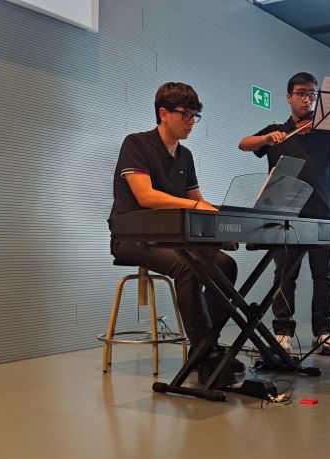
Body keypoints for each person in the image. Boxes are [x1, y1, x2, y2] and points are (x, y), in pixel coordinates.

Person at [109, 82, 243, 387]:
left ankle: (204, 348)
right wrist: (196, 205)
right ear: (163, 113)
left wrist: (223, 217)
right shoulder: (136, 144)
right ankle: (206, 355)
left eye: (195, 116)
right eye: (186, 114)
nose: (191, 122)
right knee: (188, 267)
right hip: (132, 239)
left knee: (226, 265)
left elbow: (198, 201)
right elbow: (146, 196)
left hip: (172, 239)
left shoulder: (185, 156)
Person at [238, 72, 330, 354]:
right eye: (302, 93)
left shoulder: (327, 133)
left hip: (322, 213)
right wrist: (267, 138)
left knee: (324, 277)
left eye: (313, 94)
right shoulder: (277, 132)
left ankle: (323, 332)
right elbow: (243, 144)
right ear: (289, 97)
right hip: (285, 216)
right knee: (284, 276)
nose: (308, 99)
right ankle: (282, 332)